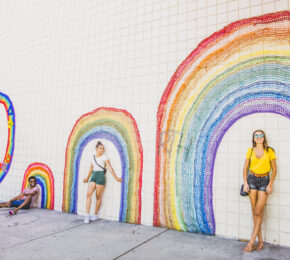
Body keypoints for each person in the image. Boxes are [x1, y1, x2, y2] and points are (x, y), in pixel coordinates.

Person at [242, 130, 277, 252]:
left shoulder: (270, 151)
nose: (259, 137)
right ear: (253, 138)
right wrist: (246, 183)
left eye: (261, 135)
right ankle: (260, 241)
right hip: (251, 179)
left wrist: (270, 184)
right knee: (255, 211)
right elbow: (245, 168)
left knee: (258, 210)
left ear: (264, 138)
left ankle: (251, 242)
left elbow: (274, 169)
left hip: (264, 181)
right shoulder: (250, 150)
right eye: (256, 135)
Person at [83, 141, 122, 223]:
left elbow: (110, 168)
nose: (102, 150)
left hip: (101, 176)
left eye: (103, 149)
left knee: (98, 197)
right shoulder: (92, 157)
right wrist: (87, 178)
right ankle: (87, 216)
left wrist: (116, 178)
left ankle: (95, 214)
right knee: (88, 194)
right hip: (93, 176)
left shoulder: (105, 157)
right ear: (96, 149)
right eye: (100, 148)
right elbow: (91, 169)